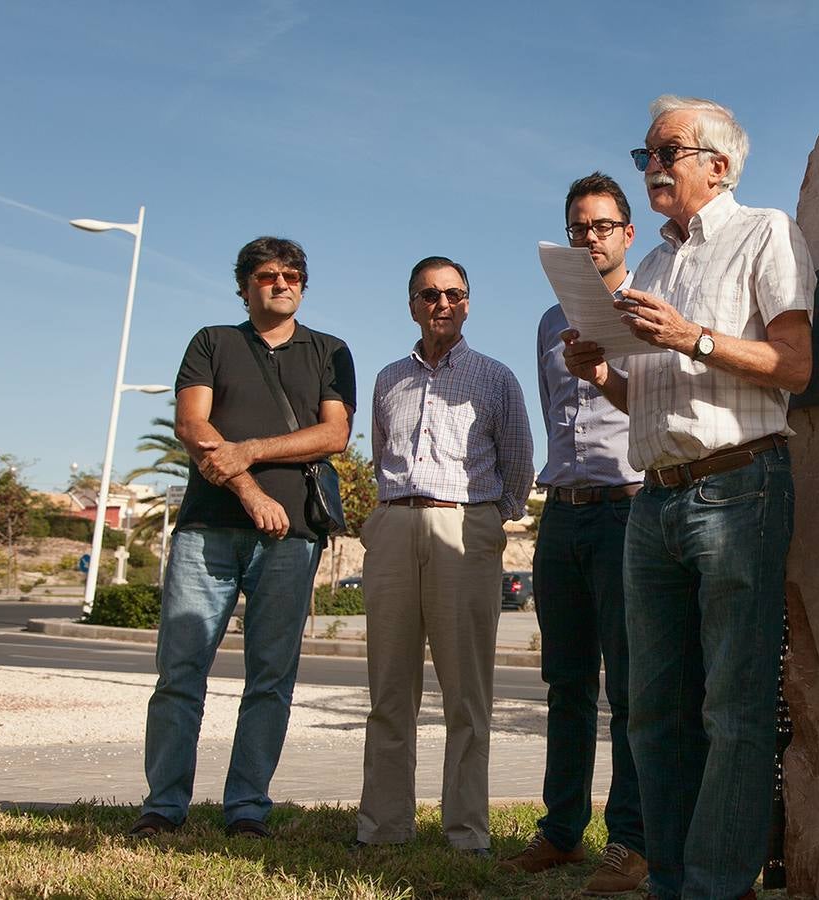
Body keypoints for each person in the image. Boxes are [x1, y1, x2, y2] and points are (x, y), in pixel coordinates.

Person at [563, 95, 814, 899]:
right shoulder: (653, 267)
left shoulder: (764, 231)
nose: (652, 169)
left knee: (734, 714)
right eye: (645, 156)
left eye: (665, 152)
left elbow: (796, 365)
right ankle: (669, 881)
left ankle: (716, 885)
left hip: (740, 488)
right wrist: (601, 372)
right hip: (656, 500)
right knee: (650, 715)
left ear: (719, 163)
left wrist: (691, 337)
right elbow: (655, 403)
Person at [129, 236, 355, 839]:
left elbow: (334, 436)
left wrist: (249, 450)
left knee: (270, 677)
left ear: (304, 285)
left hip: (293, 537)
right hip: (208, 531)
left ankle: (247, 807)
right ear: (244, 285)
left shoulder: (330, 351)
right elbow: (192, 424)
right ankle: (163, 806)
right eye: (266, 275)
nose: (281, 283)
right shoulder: (213, 342)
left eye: (292, 275)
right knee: (180, 672)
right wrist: (252, 491)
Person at [356, 256, 533, 854]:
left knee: (466, 695)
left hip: (465, 530)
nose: (442, 304)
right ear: (411, 303)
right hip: (394, 526)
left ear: (468, 301)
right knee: (388, 691)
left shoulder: (496, 377)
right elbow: (381, 454)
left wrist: (487, 521)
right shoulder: (387, 379)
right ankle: (383, 830)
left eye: (454, 294)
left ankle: (466, 833)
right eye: (429, 295)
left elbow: (519, 463)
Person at [502, 173, 647, 893]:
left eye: (601, 226)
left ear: (628, 233)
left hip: (628, 510)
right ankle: (560, 832)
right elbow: (551, 413)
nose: (588, 238)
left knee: (628, 684)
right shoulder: (545, 322)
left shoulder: (651, 306)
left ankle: (629, 841)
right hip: (562, 513)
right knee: (563, 681)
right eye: (577, 227)